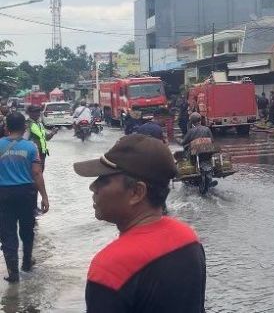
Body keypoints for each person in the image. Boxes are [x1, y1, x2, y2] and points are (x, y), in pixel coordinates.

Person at [73, 134, 206, 312]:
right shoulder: (188, 237)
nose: (93, 187)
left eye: (103, 180)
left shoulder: (110, 267)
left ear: (137, 192)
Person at [0, 112, 50, 283]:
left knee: (7, 233)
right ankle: (27, 264)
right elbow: (36, 173)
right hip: (26, 194)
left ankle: (13, 273)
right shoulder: (31, 147)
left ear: (6, 127)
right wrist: (44, 197)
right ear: (24, 128)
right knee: (27, 230)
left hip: (4, 194)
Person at [24, 105, 58, 170]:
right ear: (29, 113)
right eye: (35, 112)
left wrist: (53, 133)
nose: (37, 114)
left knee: (40, 172)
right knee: (35, 173)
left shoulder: (40, 124)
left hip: (42, 153)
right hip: (33, 154)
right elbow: (24, 140)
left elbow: (46, 138)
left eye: (38, 112)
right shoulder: (27, 125)